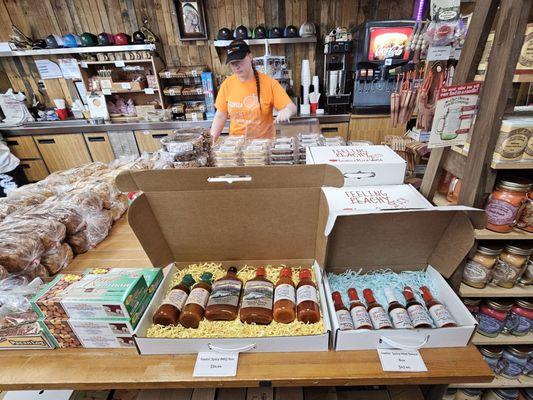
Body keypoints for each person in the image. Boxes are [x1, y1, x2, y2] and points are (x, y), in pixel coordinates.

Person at [210, 40, 297, 143]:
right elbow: (220, 116)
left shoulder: (269, 83)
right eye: (232, 63)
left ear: (250, 57)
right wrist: (211, 141)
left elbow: (291, 107)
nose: (236, 66)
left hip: (263, 146)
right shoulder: (227, 85)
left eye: (240, 61)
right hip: (237, 147)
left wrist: (287, 110)